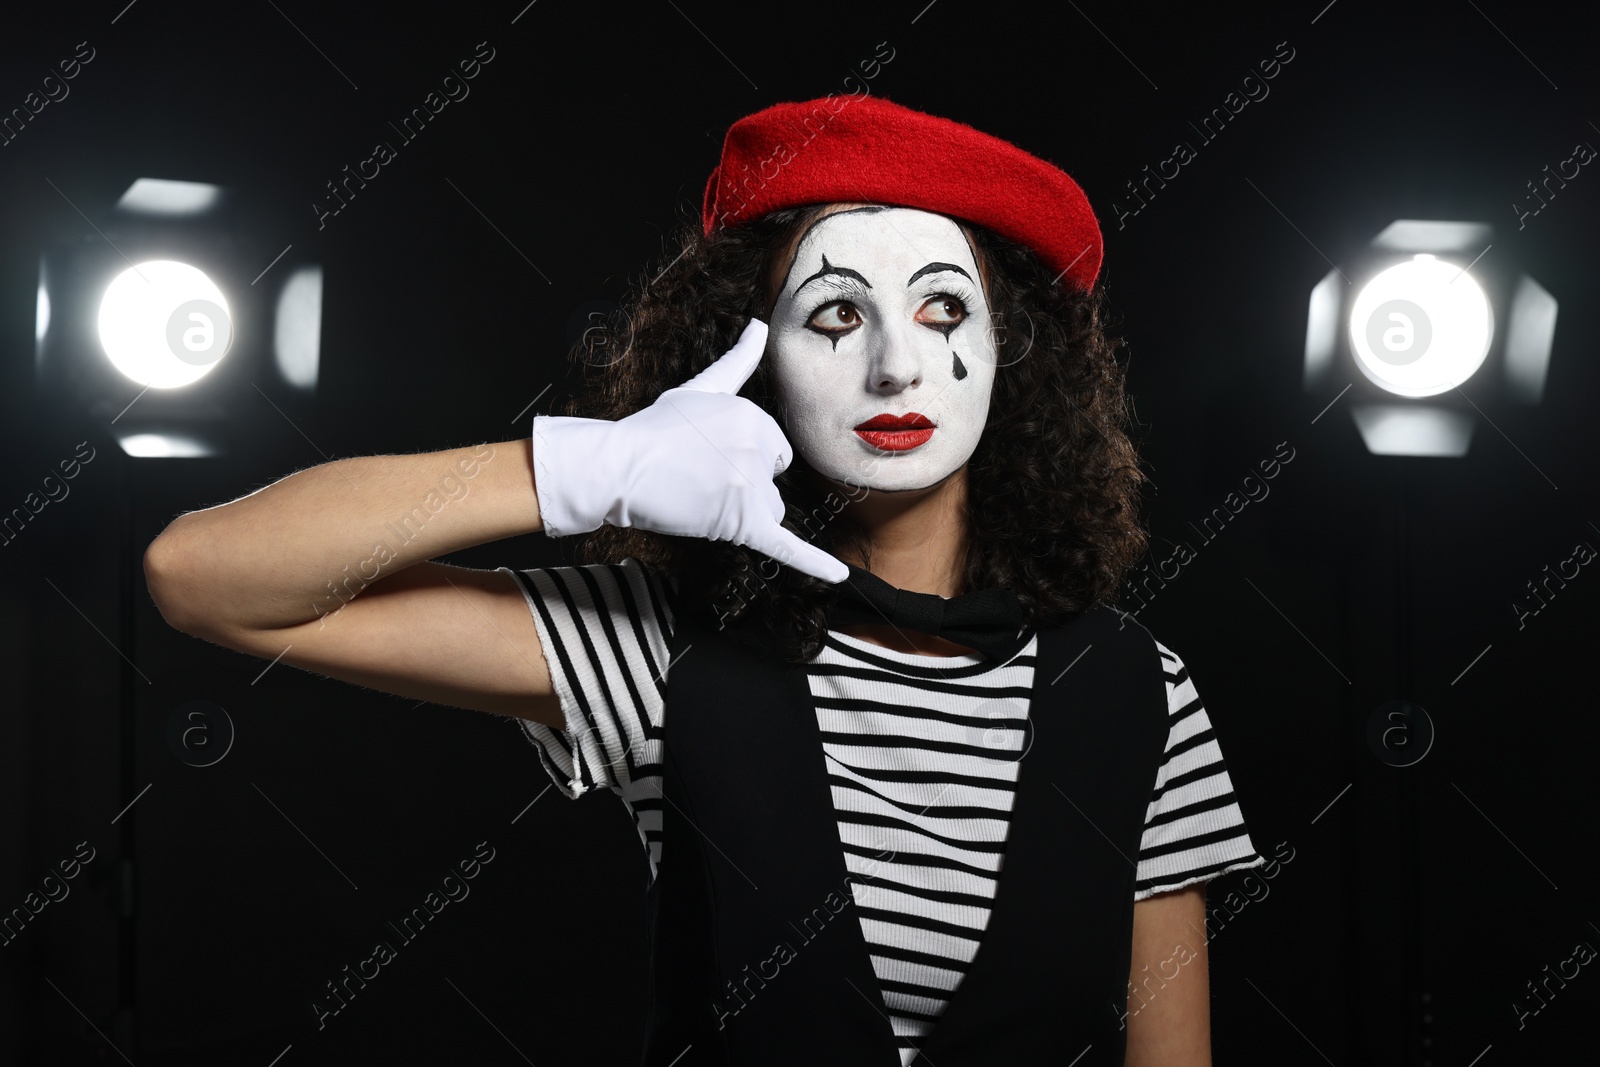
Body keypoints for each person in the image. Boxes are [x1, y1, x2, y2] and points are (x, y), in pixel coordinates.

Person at [145, 95, 1266, 1066]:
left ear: (1013, 352)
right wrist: (592, 466)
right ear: (750, 350)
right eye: (835, 312)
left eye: (941, 308)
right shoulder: (657, 648)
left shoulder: (1139, 690)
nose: (892, 362)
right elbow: (205, 575)